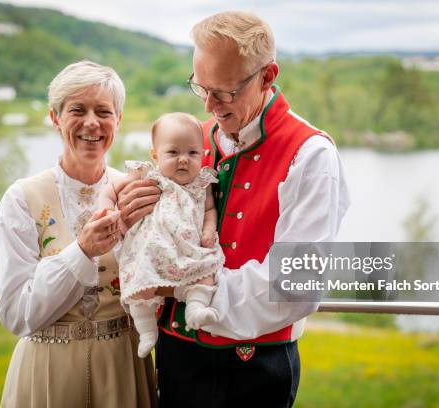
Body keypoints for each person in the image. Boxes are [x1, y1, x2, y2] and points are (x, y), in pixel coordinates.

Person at [116, 11, 350, 408]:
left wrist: (180, 284)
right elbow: (154, 227)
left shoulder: (311, 155)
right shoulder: (190, 141)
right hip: (175, 357)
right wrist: (132, 212)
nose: (210, 105)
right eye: (200, 87)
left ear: (267, 76)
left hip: (254, 367)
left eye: (224, 92)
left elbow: (297, 284)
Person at [0, 60, 156, 408]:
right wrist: (81, 251)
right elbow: (18, 315)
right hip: (47, 371)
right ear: (55, 117)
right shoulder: (21, 199)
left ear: (119, 120)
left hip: (123, 366)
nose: (92, 123)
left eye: (104, 112)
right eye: (77, 110)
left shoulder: (136, 193)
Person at [98, 112, 224, 359]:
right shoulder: (148, 176)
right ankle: (146, 330)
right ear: (155, 155)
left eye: (192, 153)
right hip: (153, 246)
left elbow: (209, 209)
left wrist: (209, 230)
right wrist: (109, 210)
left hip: (189, 245)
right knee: (140, 284)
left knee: (207, 269)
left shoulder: (202, 181)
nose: (184, 160)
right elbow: (111, 190)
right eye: (173, 153)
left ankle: (196, 309)